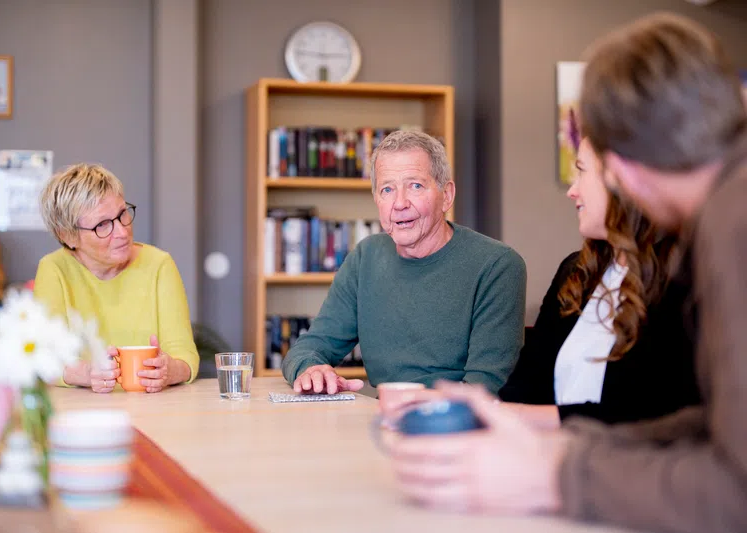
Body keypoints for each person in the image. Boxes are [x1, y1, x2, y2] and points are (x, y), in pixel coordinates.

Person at [386, 13, 747, 533]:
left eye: (589, 167)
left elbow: (736, 489)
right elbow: (708, 425)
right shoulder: (718, 216)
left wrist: (554, 475)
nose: (577, 188)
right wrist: (550, 439)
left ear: (622, 164)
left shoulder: (730, 222)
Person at [282, 130, 527, 394]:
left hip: (459, 427)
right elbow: (310, 347)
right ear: (377, 199)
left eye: (415, 186)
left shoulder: (498, 266)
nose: (399, 203)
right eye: (387, 189)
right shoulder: (366, 257)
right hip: (384, 420)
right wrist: (311, 369)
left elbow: (484, 388)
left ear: (447, 195)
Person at [497, 138, 700, 428]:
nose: (572, 191)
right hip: (555, 460)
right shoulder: (575, 271)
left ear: (622, 182)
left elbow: (649, 409)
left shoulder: (682, 279)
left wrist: (518, 416)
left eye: (581, 171)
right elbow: (526, 382)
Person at [34, 163, 199, 393]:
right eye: (102, 225)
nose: (122, 232)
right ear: (68, 236)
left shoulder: (159, 264)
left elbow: (185, 355)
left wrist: (171, 370)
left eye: (122, 214)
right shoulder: (54, 269)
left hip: (152, 408)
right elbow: (43, 360)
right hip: (81, 412)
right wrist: (86, 373)